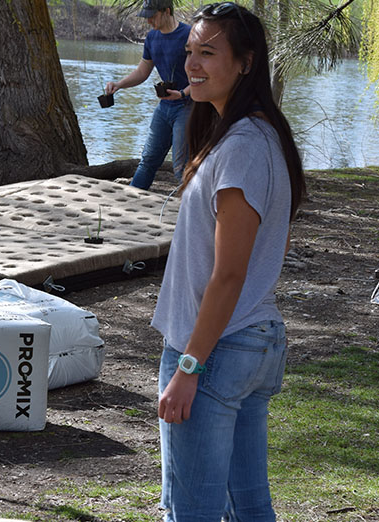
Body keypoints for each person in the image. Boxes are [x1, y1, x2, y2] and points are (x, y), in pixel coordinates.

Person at [151, 3, 306, 521]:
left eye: (208, 52)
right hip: (250, 342)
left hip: (216, 350)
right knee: (249, 509)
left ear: (245, 62)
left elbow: (231, 271)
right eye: (190, 51)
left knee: (190, 511)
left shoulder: (241, 146)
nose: (191, 63)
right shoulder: (260, 137)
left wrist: (190, 365)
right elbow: (273, 246)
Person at [105, 0, 193, 190]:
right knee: (148, 161)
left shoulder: (189, 35)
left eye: (152, 16)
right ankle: (130, 202)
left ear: (167, 11)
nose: (148, 21)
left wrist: (182, 94)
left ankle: (189, 210)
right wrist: (118, 85)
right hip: (164, 108)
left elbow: (203, 75)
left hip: (188, 107)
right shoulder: (152, 38)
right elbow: (142, 73)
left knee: (181, 167)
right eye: (147, 16)